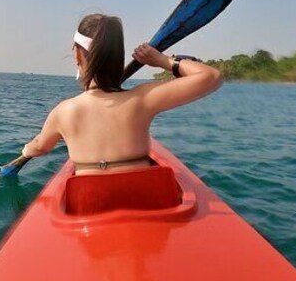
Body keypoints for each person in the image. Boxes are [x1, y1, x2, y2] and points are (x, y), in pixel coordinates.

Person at [18, 13, 223, 176]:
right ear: (119, 57)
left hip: (89, 210)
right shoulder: (142, 99)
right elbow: (211, 76)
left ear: (77, 55)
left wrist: (26, 151)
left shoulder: (64, 111)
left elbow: (40, 147)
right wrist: (163, 60)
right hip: (143, 207)